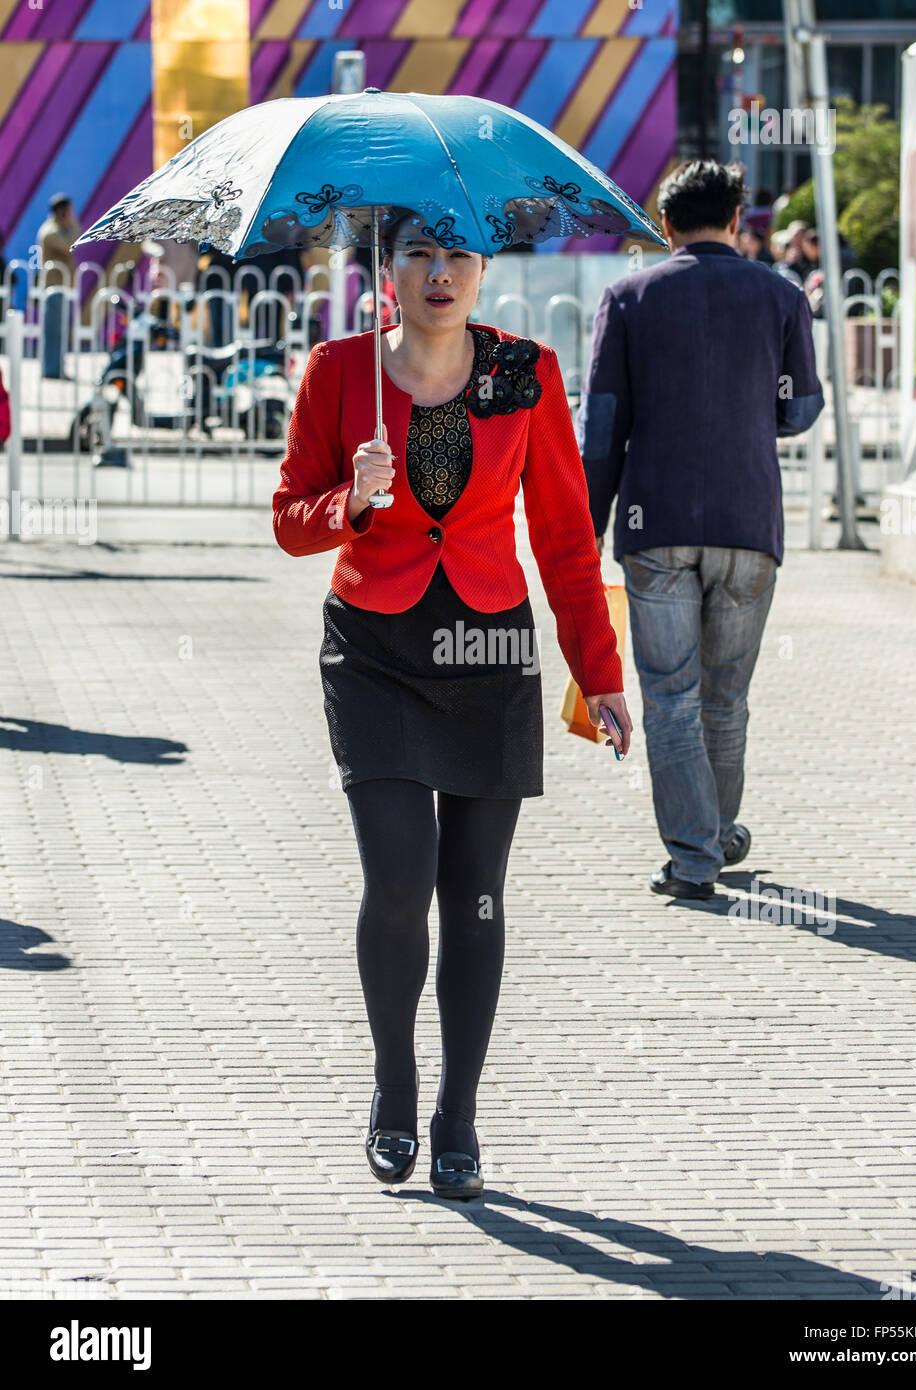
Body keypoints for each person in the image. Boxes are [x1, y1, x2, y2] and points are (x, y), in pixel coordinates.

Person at [272, 210, 632, 1199]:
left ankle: (456, 1115)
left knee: (474, 891)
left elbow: (562, 535)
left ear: (482, 269)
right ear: (386, 268)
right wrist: (349, 500)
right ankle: (395, 1083)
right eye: (419, 254)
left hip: (486, 652)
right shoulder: (339, 373)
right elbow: (288, 521)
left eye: (458, 256)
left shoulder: (523, 370)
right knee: (398, 877)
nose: (439, 273)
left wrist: (597, 671)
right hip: (373, 650)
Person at [577, 159, 823, 899]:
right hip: (750, 521)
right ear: (738, 215)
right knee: (727, 696)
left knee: (672, 695)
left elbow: (604, 426)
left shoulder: (628, 298)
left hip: (657, 524)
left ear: (665, 221)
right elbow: (802, 409)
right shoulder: (781, 296)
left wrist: (587, 527)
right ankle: (715, 833)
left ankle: (695, 856)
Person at [37, 193, 79, 379]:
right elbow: (70, 244)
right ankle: (51, 370)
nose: (71, 215)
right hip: (53, 288)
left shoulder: (59, 229)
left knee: (61, 331)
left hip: (61, 288)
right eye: (68, 211)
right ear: (60, 212)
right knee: (53, 331)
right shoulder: (50, 232)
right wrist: (72, 223)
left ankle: (57, 368)